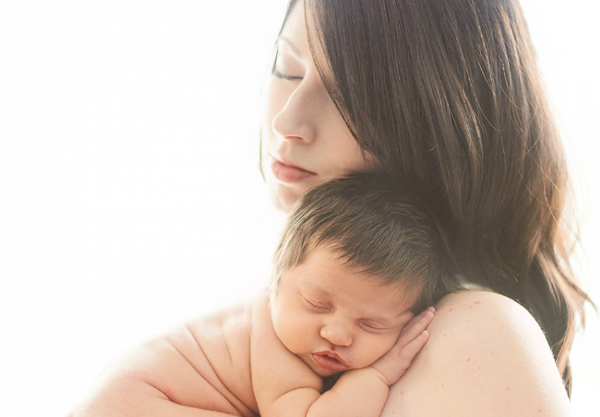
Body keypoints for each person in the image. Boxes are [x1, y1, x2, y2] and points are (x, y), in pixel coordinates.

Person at [260, 0, 591, 415]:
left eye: (353, 99)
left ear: (441, 130)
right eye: (286, 68)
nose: (287, 122)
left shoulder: (478, 337)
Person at [70, 172, 449, 417]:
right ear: (276, 280)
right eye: (318, 304)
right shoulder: (273, 345)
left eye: (371, 324)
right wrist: (378, 375)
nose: (337, 334)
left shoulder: (291, 328)